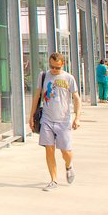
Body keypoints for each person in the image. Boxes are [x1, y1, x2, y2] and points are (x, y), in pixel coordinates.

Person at [29, 52, 80, 191]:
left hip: (63, 120)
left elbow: (76, 98)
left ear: (62, 64)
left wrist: (77, 117)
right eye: (51, 66)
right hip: (47, 119)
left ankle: (69, 166)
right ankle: (54, 180)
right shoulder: (43, 76)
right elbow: (37, 95)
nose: (53, 70)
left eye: (57, 67)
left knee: (66, 152)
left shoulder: (69, 78)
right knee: (49, 149)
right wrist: (31, 115)